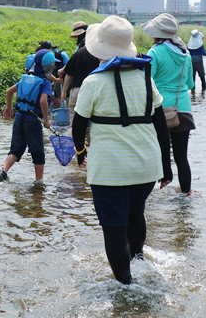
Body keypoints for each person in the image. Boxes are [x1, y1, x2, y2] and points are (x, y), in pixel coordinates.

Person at [71, 15, 171, 285]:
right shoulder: (145, 79)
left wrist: (81, 152)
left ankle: (126, 289)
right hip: (147, 166)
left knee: (114, 228)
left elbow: (78, 127)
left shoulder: (93, 83)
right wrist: (167, 166)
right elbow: (161, 125)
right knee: (136, 212)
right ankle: (138, 262)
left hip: (110, 170)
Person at [142, 13, 195, 194]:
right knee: (182, 157)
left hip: (161, 109)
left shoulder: (154, 52)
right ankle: (186, 195)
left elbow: (148, 82)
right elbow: (190, 84)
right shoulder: (185, 53)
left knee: (155, 154)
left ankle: (149, 196)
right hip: (183, 108)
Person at [0, 49, 55, 182]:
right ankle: (39, 182)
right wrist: (46, 120)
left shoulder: (25, 79)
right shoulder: (44, 83)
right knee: (38, 152)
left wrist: (9, 107)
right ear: (48, 67)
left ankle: (3, 171)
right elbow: (42, 101)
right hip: (33, 121)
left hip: (19, 118)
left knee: (16, 150)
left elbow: (9, 91)